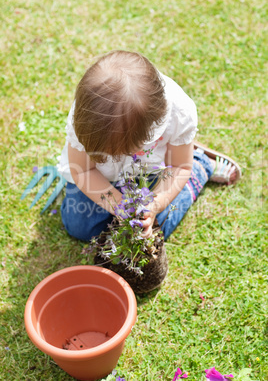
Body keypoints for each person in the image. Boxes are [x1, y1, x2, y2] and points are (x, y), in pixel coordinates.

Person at [58, 50, 241, 241]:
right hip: (99, 175)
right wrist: (120, 205)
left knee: (154, 231)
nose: (121, 156)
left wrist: (154, 205)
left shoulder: (179, 113)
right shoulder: (88, 119)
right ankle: (184, 151)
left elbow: (178, 167)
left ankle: (199, 163)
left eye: (127, 151)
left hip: (150, 172)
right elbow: (84, 171)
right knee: (80, 227)